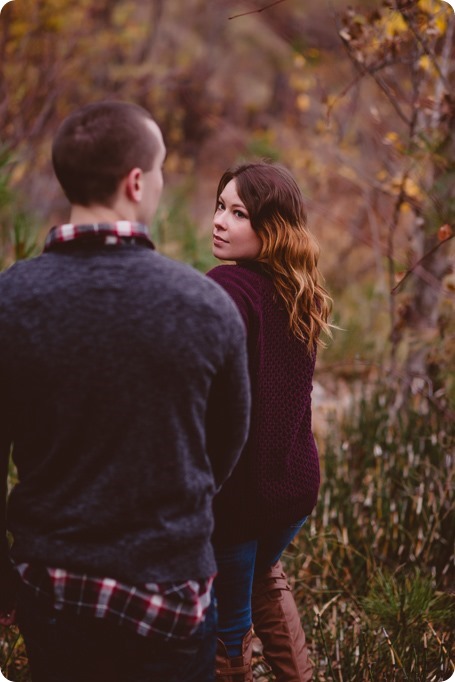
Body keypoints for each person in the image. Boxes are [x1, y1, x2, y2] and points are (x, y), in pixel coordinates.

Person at [0, 101, 251, 682]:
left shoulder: (10, 303)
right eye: (160, 168)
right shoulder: (206, 306)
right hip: (167, 587)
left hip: (53, 583)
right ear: (137, 182)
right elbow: (224, 446)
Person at [207, 161, 332, 681]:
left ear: (271, 228)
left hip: (240, 499)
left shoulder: (229, 289)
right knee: (264, 579)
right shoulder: (299, 292)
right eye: (220, 206)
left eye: (239, 213)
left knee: (227, 624)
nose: (219, 221)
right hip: (294, 490)